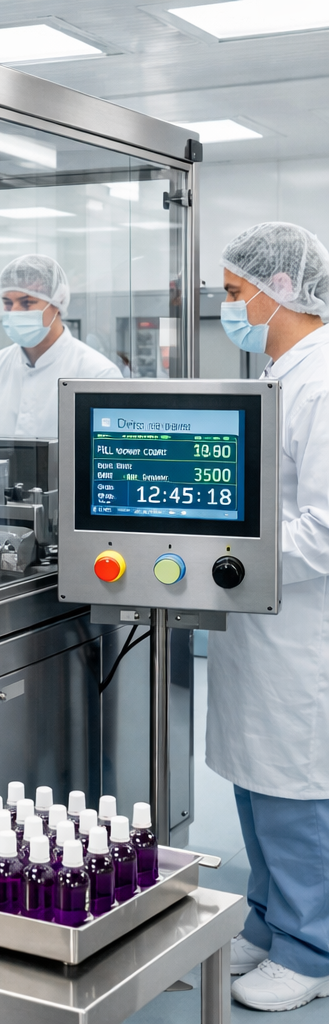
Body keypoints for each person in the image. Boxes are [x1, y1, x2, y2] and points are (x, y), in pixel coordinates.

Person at [207, 222, 329, 1012]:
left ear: (279, 287)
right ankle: (269, 920)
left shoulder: (321, 383)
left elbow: (324, 528)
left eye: (232, 291)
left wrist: (229, 555)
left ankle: (312, 949)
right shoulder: (281, 372)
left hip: (302, 632)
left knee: (294, 788)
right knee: (255, 783)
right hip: (257, 620)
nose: (228, 307)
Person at [0, 254, 121, 437]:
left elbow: (107, 446)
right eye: (8, 303)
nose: (14, 311)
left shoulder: (97, 374)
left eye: (27, 303)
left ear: (57, 301)